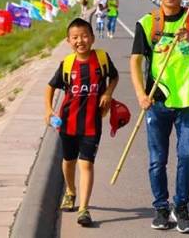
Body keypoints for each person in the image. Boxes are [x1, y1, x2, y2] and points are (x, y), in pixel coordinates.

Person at [130, 0, 189, 233]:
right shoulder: (147, 23)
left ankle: (182, 206)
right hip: (157, 103)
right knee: (157, 159)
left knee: (188, 155)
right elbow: (134, 62)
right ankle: (161, 208)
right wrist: (141, 94)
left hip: (187, 103)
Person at [44, 18, 119, 227]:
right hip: (67, 123)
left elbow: (114, 77)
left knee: (86, 164)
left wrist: (108, 93)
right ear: (68, 41)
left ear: (93, 38)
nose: (80, 41)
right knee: (69, 161)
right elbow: (50, 87)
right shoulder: (67, 64)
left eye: (85, 36)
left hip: (92, 125)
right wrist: (48, 110)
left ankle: (84, 209)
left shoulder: (102, 59)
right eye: (75, 37)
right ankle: (70, 190)